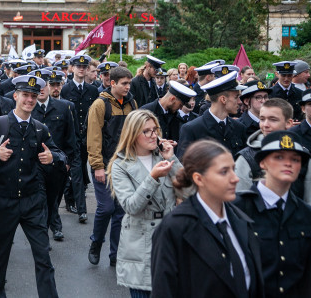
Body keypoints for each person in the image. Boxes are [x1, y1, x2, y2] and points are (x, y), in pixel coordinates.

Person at [0, 76, 65, 298]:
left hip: (33, 201)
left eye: (34, 96)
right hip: (4, 201)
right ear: (15, 96)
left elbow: (60, 155)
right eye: (25, 95)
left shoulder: (40, 128)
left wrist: (52, 157)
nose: (30, 100)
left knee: (43, 257)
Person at [150, 139, 264, 298]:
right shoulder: (175, 228)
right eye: (224, 172)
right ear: (198, 178)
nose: (235, 178)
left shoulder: (240, 219)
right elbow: (164, 290)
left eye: (233, 169)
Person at [107, 110, 182, 298]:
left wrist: (172, 159)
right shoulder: (120, 164)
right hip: (140, 242)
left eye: (154, 129)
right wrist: (152, 177)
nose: (153, 135)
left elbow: (189, 191)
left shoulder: (163, 156)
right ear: (133, 134)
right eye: (146, 131)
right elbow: (131, 206)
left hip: (169, 236)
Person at [233, 131, 311, 297]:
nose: (288, 164)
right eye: (279, 157)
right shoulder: (237, 208)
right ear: (262, 163)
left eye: (295, 159)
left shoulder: (305, 214)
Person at [86, 66, 136, 266]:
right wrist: (97, 166)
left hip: (125, 165)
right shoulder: (100, 104)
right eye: (124, 83)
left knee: (120, 211)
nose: (127, 87)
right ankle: (96, 243)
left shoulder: (132, 102)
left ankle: (116, 253)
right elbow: (94, 137)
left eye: (129, 83)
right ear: (112, 83)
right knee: (106, 208)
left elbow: (135, 132)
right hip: (105, 165)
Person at [30, 69, 79, 242]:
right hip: (36, 165)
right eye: (38, 86)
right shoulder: (30, 109)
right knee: (41, 200)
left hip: (58, 164)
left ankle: (53, 222)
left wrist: (68, 163)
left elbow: (71, 139)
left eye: (45, 85)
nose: (42, 89)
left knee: (54, 199)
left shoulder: (63, 107)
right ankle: (49, 230)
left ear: (50, 87)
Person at [61, 54, 100, 223]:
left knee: (82, 170)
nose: (81, 69)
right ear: (72, 68)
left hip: (87, 135)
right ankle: (73, 202)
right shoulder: (66, 89)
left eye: (84, 67)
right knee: (72, 170)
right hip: (71, 136)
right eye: (78, 67)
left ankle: (78, 201)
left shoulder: (92, 90)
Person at [176, 71, 248, 159]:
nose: (240, 102)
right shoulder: (192, 129)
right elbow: (184, 167)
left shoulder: (239, 128)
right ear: (223, 99)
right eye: (236, 97)